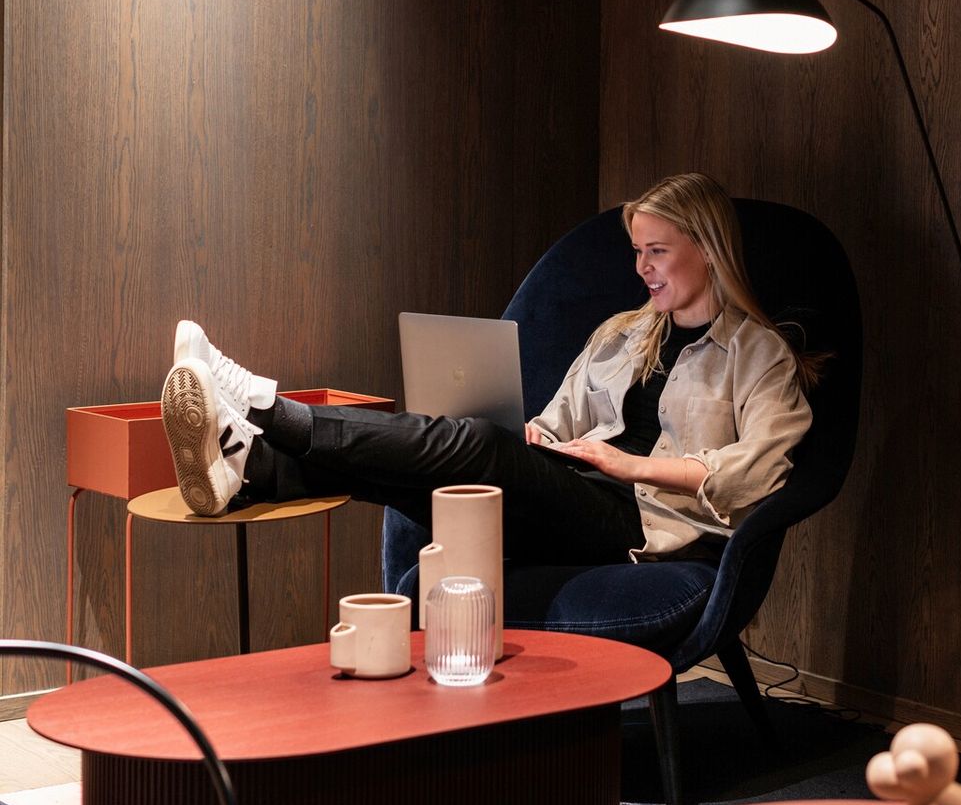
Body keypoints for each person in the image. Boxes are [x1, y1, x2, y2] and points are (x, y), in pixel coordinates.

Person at [160, 172, 821, 565]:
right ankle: (253, 467)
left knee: (477, 445)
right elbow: (559, 420)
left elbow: (759, 471)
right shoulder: (621, 334)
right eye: (637, 251)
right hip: (573, 492)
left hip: (641, 526)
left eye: (657, 251)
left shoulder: (761, 355)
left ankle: (263, 409)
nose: (641, 267)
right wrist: (539, 436)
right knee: (431, 474)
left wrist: (630, 466)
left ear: (707, 249)